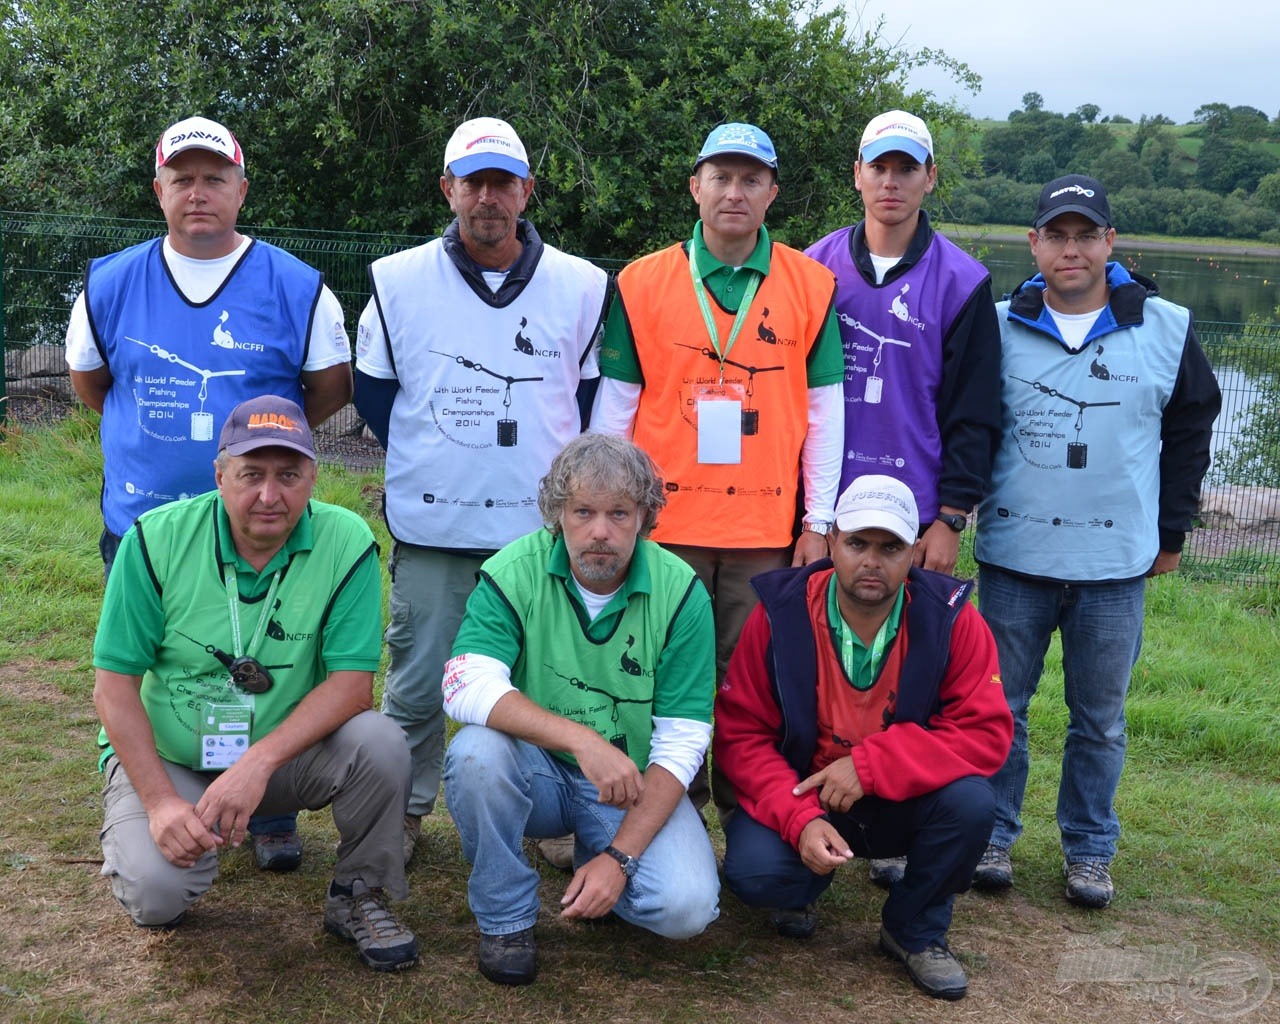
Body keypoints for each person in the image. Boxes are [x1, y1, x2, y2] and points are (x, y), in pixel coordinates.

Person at [65, 115, 353, 871]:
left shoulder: (297, 286)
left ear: (241, 188)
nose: (199, 193)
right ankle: (164, 795)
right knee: (170, 669)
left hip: (266, 527)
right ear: (158, 190)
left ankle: (270, 808)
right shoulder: (110, 282)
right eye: (182, 178)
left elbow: (325, 391)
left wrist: (253, 468)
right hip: (145, 528)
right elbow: (94, 386)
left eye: (214, 178)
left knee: (272, 663)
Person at [354, 116, 609, 865]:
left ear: (527, 190)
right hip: (434, 526)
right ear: (448, 188)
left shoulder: (584, 285)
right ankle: (398, 814)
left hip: (539, 537)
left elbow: (589, 404)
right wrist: (443, 458)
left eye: (503, 181)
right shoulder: (397, 280)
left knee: (550, 681)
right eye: (474, 181)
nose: (488, 197)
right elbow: (374, 395)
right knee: (415, 684)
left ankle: (551, 813)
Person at [91, 395, 418, 972]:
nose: (271, 496)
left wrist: (258, 763)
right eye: (252, 475)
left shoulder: (347, 543)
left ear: (313, 477)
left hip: (281, 762)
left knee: (381, 742)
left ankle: (359, 893)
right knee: (155, 897)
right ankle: (165, 824)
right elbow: (114, 686)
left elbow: (351, 686)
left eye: (289, 476)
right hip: (175, 758)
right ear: (219, 476)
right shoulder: (154, 539)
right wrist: (163, 802)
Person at [973, 175, 1221, 909]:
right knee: (1001, 710)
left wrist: (1170, 532)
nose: (1071, 249)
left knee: (1101, 720)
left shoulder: (1167, 326)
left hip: (1115, 566)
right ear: (1034, 244)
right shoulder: (994, 324)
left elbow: (1189, 435)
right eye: (1057, 234)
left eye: (1087, 235)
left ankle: (1088, 848)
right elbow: (971, 430)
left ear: (1111, 243)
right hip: (1015, 559)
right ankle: (991, 834)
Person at [591, 122, 844, 813]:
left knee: (751, 683)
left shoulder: (812, 285)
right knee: (656, 673)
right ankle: (660, 814)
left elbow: (825, 417)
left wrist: (817, 521)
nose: (735, 192)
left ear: (772, 194)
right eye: (721, 177)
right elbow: (615, 410)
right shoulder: (641, 282)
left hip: (763, 528)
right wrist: (609, 512)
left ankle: (751, 819)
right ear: (694, 186)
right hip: (663, 527)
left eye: (751, 179)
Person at [713, 475, 1012, 1001]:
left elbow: (984, 732)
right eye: (857, 543)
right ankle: (802, 885)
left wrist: (871, 767)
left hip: (902, 799)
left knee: (971, 804)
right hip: (808, 794)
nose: (872, 561)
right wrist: (800, 818)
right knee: (757, 876)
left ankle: (912, 929)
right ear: (831, 544)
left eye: (891, 546)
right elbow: (742, 735)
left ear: (915, 551)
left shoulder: (953, 620)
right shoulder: (780, 613)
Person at [441, 433, 720, 986]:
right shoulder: (511, 572)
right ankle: (505, 918)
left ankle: (600, 860)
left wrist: (621, 858)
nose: (600, 531)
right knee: (474, 752)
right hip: (537, 772)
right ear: (556, 514)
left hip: (630, 784)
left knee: (685, 909)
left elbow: (684, 739)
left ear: (644, 516)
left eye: (619, 512)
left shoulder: (682, 591)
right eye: (583, 511)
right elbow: (463, 684)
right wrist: (582, 741)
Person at [805, 109, 1002, 889]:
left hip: (914, 522)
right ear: (857, 174)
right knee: (813, 665)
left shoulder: (963, 280)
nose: (890, 182)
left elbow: (975, 411)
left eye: (906, 168)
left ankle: (892, 818)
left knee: (907, 669)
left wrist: (952, 515)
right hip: (829, 513)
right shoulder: (811, 268)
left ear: (929, 179)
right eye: (877, 166)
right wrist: (810, 515)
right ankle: (808, 826)